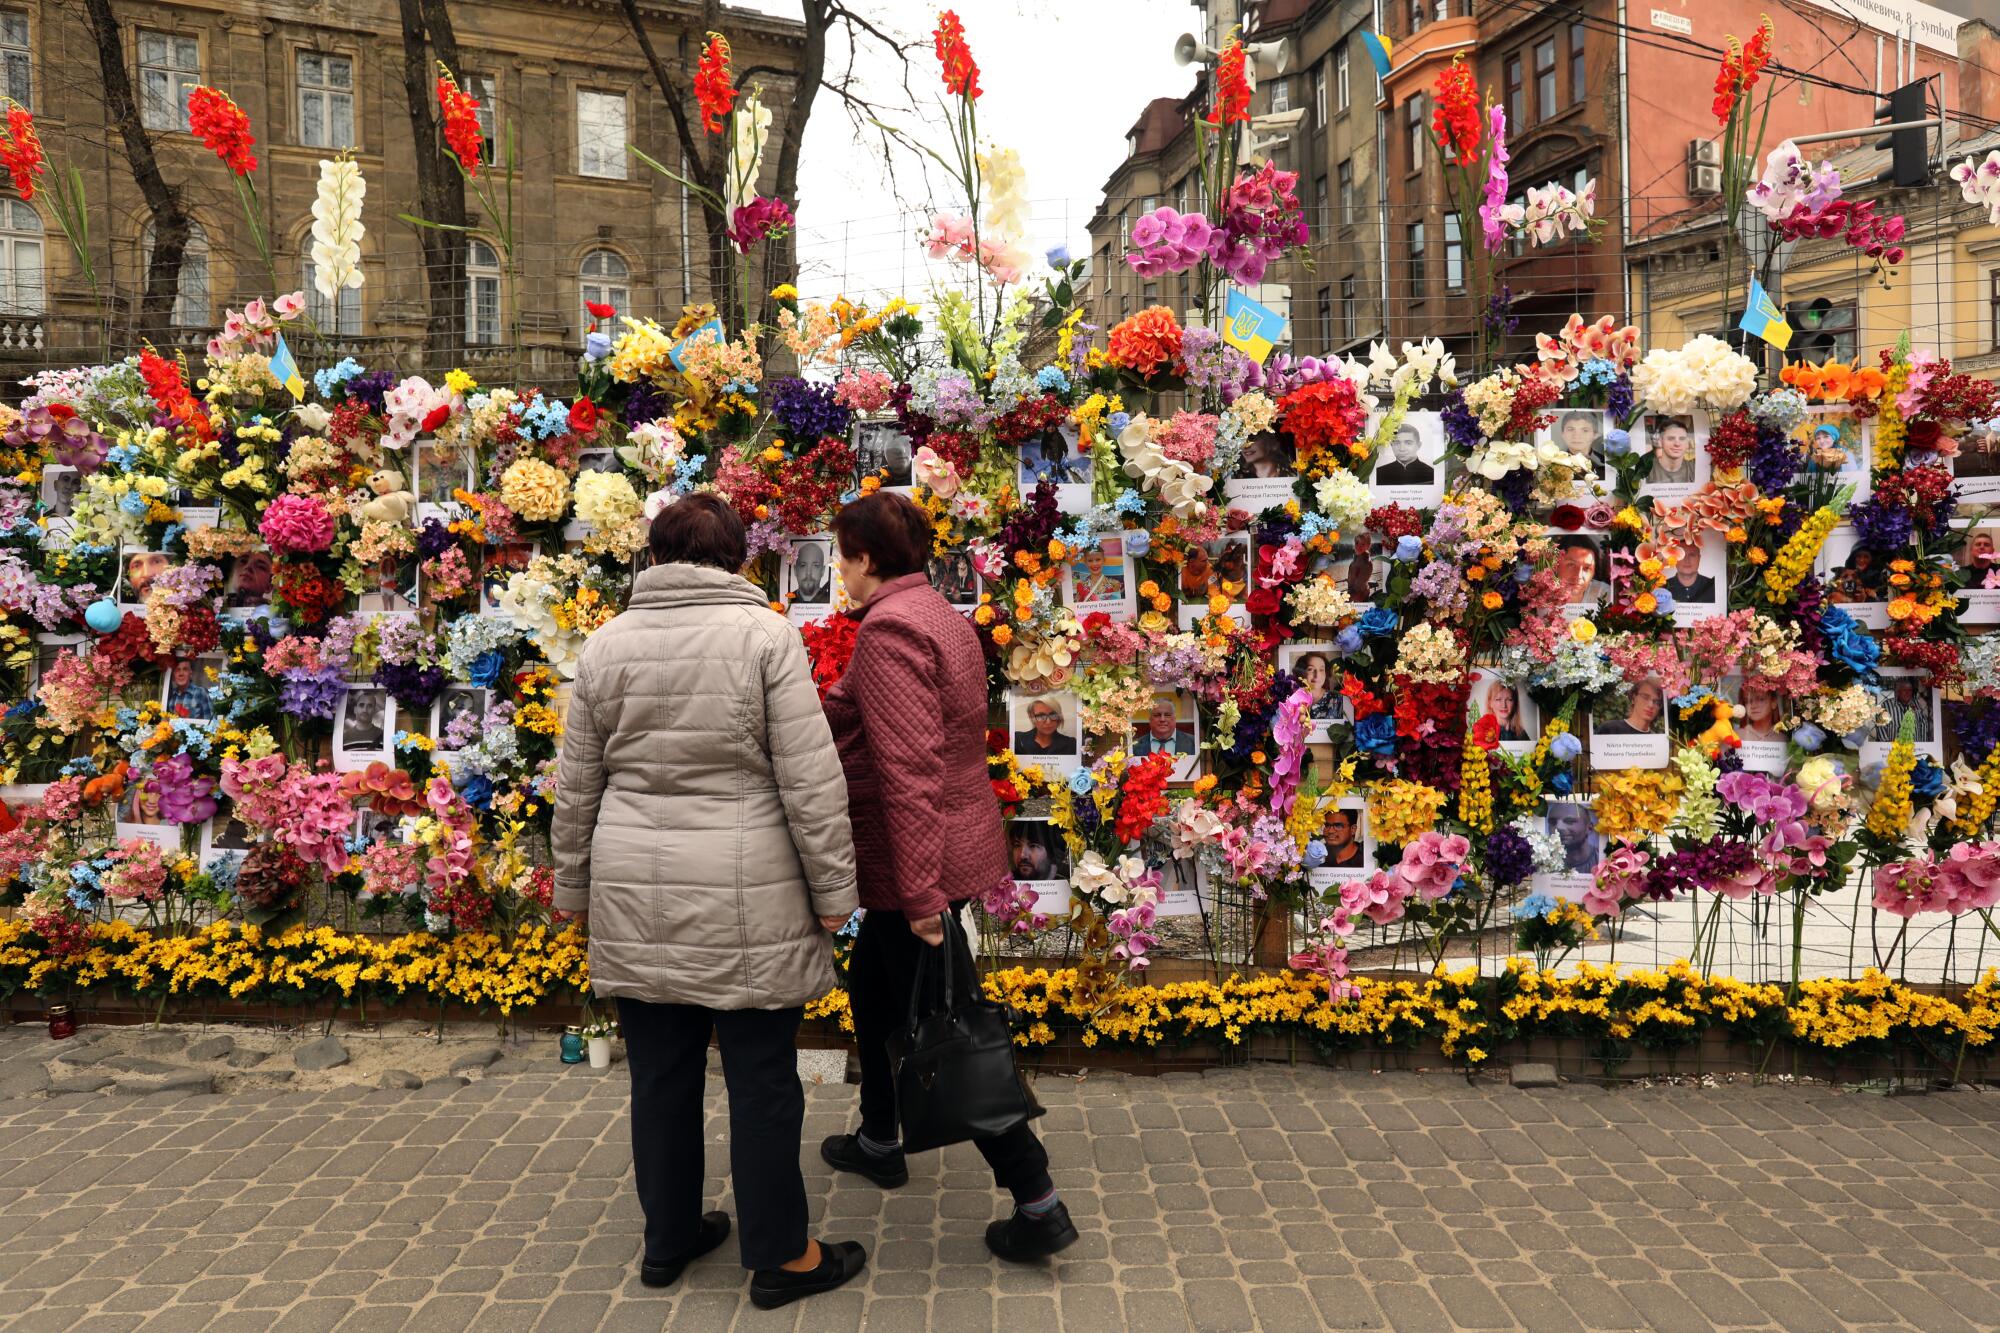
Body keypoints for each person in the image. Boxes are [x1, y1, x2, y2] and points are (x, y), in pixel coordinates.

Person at [552, 493, 866, 1308]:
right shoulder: (765, 636)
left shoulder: (607, 643)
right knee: (761, 1077)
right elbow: (810, 778)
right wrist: (836, 892)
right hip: (746, 891)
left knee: (659, 1076)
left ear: (656, 554)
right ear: (735, 556)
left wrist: (572, 888)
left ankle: (668, 1239)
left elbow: (577, 785)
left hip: (633, 886)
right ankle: (779, 1254)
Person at [818, 491, 1076, 1261]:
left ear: (867, 558)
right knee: (874, 986)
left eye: (842, 553)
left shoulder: (892, 628)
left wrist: (924, 897)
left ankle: (1037, 1200)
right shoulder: (938, 613)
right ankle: (878, 1133)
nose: (837, 567)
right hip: (942, 844)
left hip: (916, 862)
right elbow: (869, 711)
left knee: (954, 1025)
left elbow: (907, 767)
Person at [1130, 695, 1194, 757]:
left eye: (1167, 715)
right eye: (1157, 715)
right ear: (1150, 719)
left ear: (1175, 718)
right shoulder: (1134, 747)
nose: (1162, 719)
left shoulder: (1193, 743)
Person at [1597, 678, 1664, 736]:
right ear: (1633, 698)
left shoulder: (1655, 739)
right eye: (1645, 697)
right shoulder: (1609, 729)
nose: (1651, 705)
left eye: (1656, 702)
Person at [1553, 538, 1609, 604]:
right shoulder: (1540, 593)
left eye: (1587, 568)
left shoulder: (1605, 594)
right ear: (1555, 565)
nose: (1579, 576)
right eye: (1571, 565)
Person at [1013, 697, 1077, 756]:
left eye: (1053, 715)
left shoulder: (1071, 744)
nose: (1048, 722)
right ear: (1031, 717)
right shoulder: (1018, 741)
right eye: (1041, 716)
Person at [1549, 803, 1600, 874]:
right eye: (1552, 822)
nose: (1558, 827)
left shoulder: (1603, 859)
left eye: (1569, 821)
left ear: (1589, 828)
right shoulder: (1544, 862)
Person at [1291, 651, 1341, 722]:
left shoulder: (1337, 699)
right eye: (1310, 669)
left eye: (1321, 670)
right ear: (1301, 673)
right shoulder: (1293, 699)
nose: (1317, 675)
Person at [1646, 418, 1696, 484]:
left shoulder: (1694, 468)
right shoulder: (1647, 470)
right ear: (1660, 442)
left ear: (1687, 443)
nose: (1677, 444)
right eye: (1671, 438)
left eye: (1682, 439)